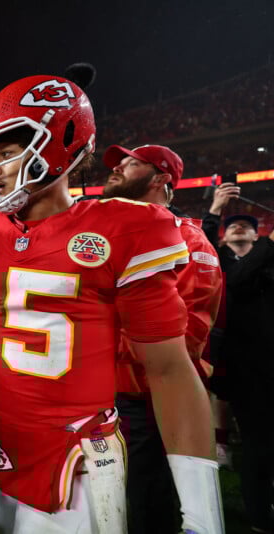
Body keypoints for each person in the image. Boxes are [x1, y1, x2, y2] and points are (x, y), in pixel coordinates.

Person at [0, 75, 223, 533]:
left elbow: (169, 369)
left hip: (73, 455)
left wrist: (202, 513)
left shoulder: (127, 228)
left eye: (8, 153)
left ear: (60, 150)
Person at [102, 144, 222, 534]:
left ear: (161, 178)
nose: (118, 168)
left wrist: (93, 344)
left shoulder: (190, 241)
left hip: (146, 398)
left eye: (131, 163)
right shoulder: (102, 235)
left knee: (146, 500)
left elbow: (184, 339)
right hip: (96, 394)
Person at [203, 191, 274, 532]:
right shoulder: (221, 263)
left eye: (247, 224)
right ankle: (260, 516)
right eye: (234, 226)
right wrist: (216, 209)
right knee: (258, 444)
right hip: (245, 365)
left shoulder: (268, 261)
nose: (240, 228)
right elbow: (236, 279)